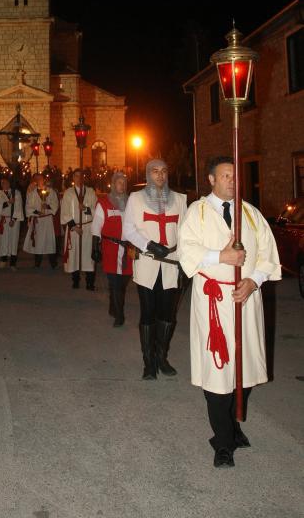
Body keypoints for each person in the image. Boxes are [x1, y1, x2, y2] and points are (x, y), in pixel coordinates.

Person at [178, 156, 281, 468]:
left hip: (245, 300)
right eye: (225, 176)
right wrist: (220, 256)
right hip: (214, 301)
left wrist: (254, 280)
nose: (232, 181)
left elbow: (267, 253)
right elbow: (186, 250)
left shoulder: (249, 214)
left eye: (235, 176)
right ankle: (222, 442)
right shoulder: (198, 212)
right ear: (211, 180)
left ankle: (233, 426)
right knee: (218, 371)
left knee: (244, 369)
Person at [122, 158, 187, 379]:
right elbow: (128, 230)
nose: (160, 175)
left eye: (164, 171)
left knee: (167, 314)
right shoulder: (136, 198)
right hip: (148, 262)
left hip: (172, 264)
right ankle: (148, 362)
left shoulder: (179, 199)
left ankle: (162, 357)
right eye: (155, 171)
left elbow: (185, 233)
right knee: (148, 312)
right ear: (148, 174)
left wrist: (186, 262)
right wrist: (148, 245)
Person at [91, 171, 132, 325]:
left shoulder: (130, 203)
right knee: (115, 282)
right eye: (119, 182)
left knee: (123, 281)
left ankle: (113, 305)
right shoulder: (104, 203)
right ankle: (119, 315)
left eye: (124, 183)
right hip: (111, 248)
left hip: (127, 250)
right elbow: (96, 226)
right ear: (113, 184)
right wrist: (95, 247)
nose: (122, 185)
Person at [61, 168, 97, 290]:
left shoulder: (91, 192)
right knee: (74, 254)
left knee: (88, 255)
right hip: (74, 227)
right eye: (76, 176)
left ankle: (90, 282)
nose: (78, 178)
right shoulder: (68, 193)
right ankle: (75, 280)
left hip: (87, 227)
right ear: (73, 178)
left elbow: (96, 209)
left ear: (83, 178)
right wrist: (74, 227)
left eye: (81, 176)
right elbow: (65, 212)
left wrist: (86, 209)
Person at [23, 173, 59, 268]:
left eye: (40, 178)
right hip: (38, 221)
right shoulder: (32, 193)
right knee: (38, 242)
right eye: (37, 179)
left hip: (47, 221)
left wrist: (47, 206)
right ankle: (37, 263)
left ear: (44, 179)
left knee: (49, 241)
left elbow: (55, 205)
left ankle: (53, 263)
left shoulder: (51, 191)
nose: (39, 180)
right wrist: (37, 212)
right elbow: (28, 206)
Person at [0, 176, 24, 268]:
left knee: (13, 239)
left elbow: (18, 207)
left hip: (14, 220)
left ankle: (13, 262)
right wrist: (8, 203)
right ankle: (3, 259)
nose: (4, 185)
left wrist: (14, 219)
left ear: (9, 183)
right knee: (3, 240)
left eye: (6, 183)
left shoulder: (16, 193)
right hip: (3, 219)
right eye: (2, 183)